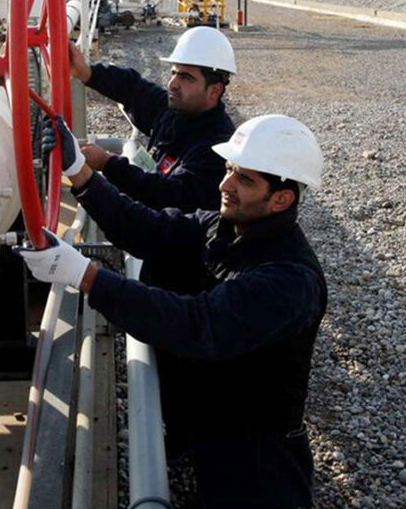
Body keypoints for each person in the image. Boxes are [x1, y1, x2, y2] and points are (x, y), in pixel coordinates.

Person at [18, 114, 327, 508]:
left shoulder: (289, 280)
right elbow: (149, 230)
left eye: (245, 180)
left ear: (282, 199)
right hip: (217, 420)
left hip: (258, 454)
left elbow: (197, 324)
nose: (225, 185)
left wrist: (86, 275)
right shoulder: (226, 227)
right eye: (229, 170)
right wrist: (80, 173)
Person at [68, 26, 236, 214]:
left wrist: (108, 164)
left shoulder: (216, 147)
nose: (172, 84)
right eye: (174, 73)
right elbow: (132, 88)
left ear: (214, 91)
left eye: (186, 78)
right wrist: (86, 72)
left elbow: (170, 195)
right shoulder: (175, 111)